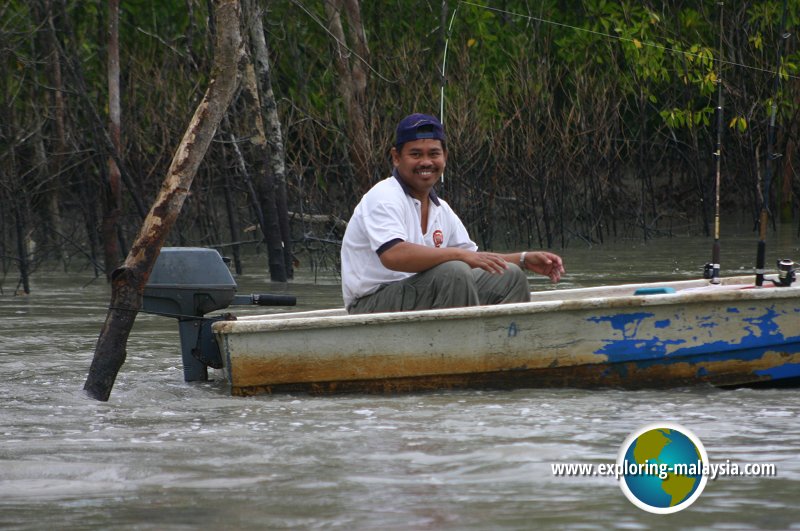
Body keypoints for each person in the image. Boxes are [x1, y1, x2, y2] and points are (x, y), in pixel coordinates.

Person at [341, 113, 564, 314]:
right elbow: (394, 255)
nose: (426, 162)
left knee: (510, 276)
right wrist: (458, 256)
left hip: (417, 294)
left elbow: (475, 258)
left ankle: (503, 351)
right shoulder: (383, 196)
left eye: (434, 153)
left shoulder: (441, 209)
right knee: (454, 272)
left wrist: (524, 259)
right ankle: (461, 352)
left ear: (445, 156)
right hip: (370, 304)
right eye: (415, 154)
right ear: (396, 157)